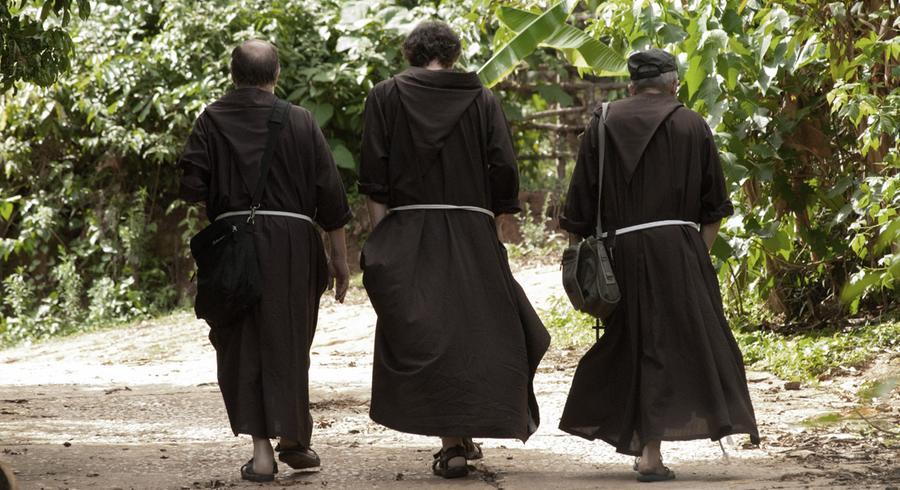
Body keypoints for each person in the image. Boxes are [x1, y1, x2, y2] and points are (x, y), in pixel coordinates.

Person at [358, 21, 551, 479]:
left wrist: (383, 233)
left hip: (409, 227)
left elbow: (373, 171)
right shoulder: (482, 98)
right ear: (454, 52)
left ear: (410, 52)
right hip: (469, 227)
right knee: (475, 332)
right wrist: (501, 214)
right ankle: (458, 437)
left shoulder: (384, 96)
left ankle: (455, 442)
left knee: (429, 334)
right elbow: (503, 162)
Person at [558, 48, 760, 482]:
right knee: (677, 347)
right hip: (681, 250)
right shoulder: (692, 124)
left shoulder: (603, 122)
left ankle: (648, 450)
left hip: (621, 253)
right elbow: (714, 210)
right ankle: (650, 455)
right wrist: (692, 256)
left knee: (635, 344)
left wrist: (588, 261)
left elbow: (578, 207)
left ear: (630, 85)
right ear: (673, 84)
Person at [179, 39, 352, 483]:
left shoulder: (211, 119)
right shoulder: (300, 121)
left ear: (233, 75)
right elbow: (330, 197)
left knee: (240, 345)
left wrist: (226, 223)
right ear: (276, 75)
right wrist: (340, 260)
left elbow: (192, 189)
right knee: (289, 340)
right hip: (294, 246)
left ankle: (261, 455)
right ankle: (293, 437)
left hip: (233, 243)